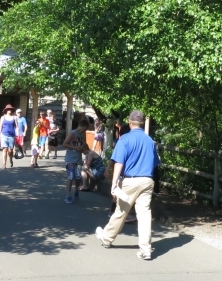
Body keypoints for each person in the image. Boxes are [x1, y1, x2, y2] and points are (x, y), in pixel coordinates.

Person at [95, 110, 159, 260]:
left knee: (121, 211)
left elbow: (119, 162)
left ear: (130, 123)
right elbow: (155, 163)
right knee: (144, 214)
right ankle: (146, 249)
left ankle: (107, 237)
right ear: (142, 124)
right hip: (147, 180)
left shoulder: (125, 139)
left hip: (130, 180)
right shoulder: (150, 140)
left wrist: (114, 182)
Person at [62, 119, 90, 203]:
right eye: (85, 129)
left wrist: (84, 149)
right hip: (70, 158)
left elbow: (83, 144)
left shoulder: (82, 134)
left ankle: (76, 190)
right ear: (83, 127)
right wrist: (75, 148)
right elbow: (64, 144)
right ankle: (68, 195)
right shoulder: (73, 133)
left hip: (78, 158)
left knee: (78, 177)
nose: (85, 131)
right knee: (70, 176)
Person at [0, 104, 19, 169]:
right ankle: (4, 164)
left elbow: (17, 127)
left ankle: (11, 159)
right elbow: (0, 127)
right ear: (6, 110)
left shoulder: (14, 117)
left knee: (10, 150)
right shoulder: (3, 117)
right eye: (8, 109)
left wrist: (18, 135)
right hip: (3, 134)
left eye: (10, 109)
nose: (9, 110)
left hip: (12, 135)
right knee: (5, 149)